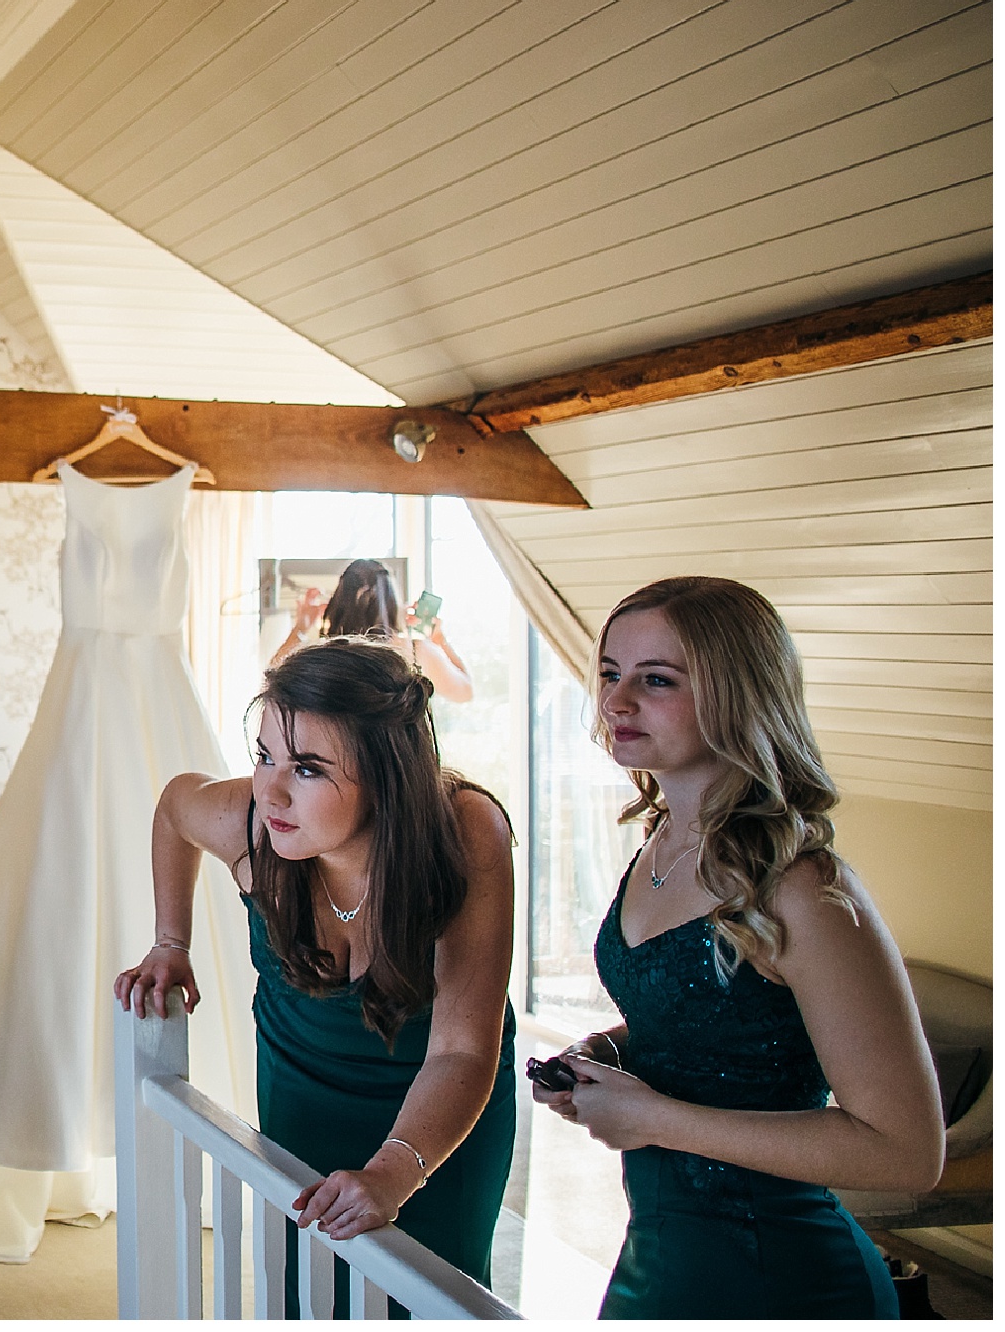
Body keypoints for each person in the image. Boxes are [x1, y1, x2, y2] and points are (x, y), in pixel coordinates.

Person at [533, 576, 942, 1319]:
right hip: (662, 1252)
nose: (616, 702)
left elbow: (906, 1150)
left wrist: (655, 1118)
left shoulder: (804, 888)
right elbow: (728, 1018)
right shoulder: (660, 842)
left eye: (655, 680)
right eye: (609, 674)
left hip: (780, 1274)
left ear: (739, 692)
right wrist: (618, 1052)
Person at [115, 638, 516, 1309]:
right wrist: (168, 940)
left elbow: (462, 1048)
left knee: (434, 1295)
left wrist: (394, 1172)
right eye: (265, 753)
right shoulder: (249, 822)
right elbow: (174, 807)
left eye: (306, 769)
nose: (269, 789)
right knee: (308, 1288)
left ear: (388, 775)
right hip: (301, 1095)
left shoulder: (468, 833)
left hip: (441, 1114)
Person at [274, 559, 473, 702]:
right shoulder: (415, 651)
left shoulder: (322, 654)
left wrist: (300, 628)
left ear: (339, 602)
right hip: (399, 759)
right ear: (391, 602)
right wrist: (440, 641)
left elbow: (272, 679)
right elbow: (465, 691)